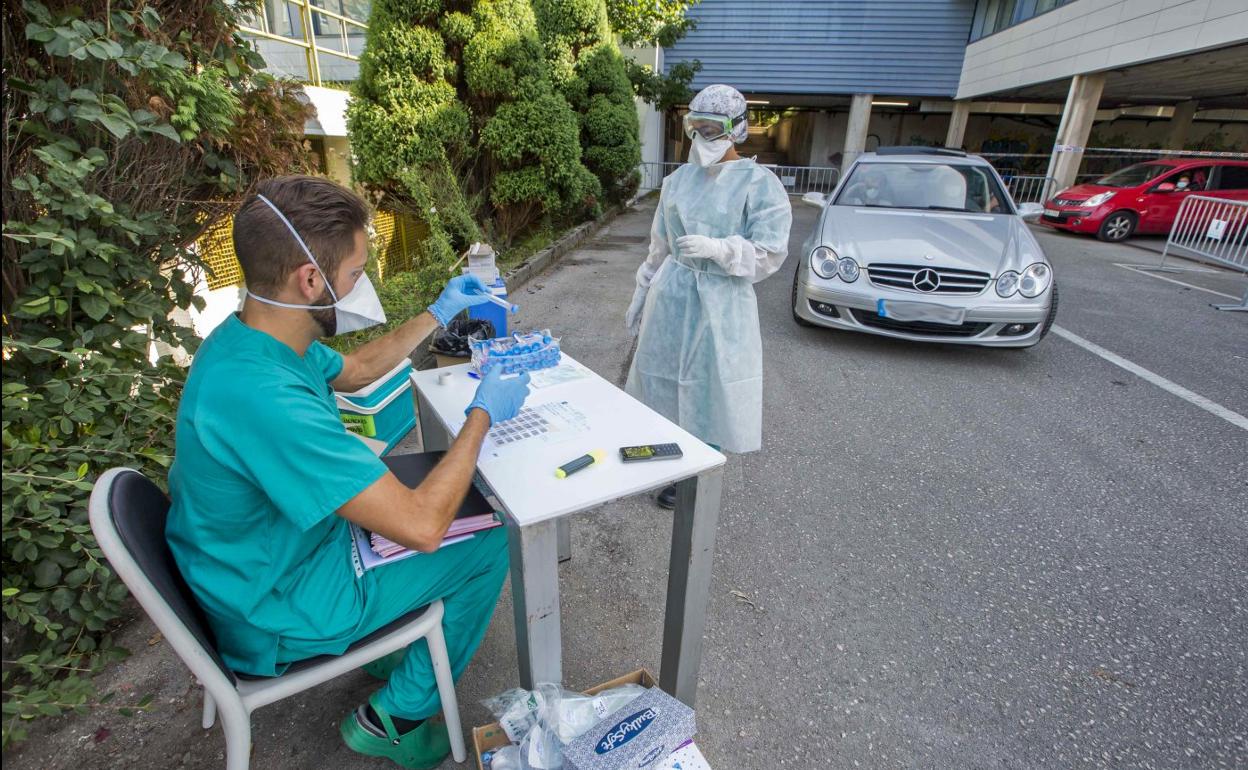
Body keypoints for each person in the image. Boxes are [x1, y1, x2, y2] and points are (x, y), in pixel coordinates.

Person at [166, 176, 531, 769]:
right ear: (310, 278)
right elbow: (422, 526)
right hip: (276, 604)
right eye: (357, 273)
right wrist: (483, 411)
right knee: (486, 537)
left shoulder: (259, 336)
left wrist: (439, 310)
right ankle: (397, 716)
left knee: (430, 481)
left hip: (255, 560)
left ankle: (392, 643)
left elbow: (358, 369)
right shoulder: (265, 397)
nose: (363, 285)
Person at [624, 84, 792, 509]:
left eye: (712, 129)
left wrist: (721, 250)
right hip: (674, 291)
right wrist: (643, 287)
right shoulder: (677, 181)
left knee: (709, 385)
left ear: (737, 130)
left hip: (722, 300)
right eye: (695, 127)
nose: (702, 138)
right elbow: (659, 245)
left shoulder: (760, 185)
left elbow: (770, 252)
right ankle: (668, 460)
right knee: (662, 377)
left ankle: (697, 475)